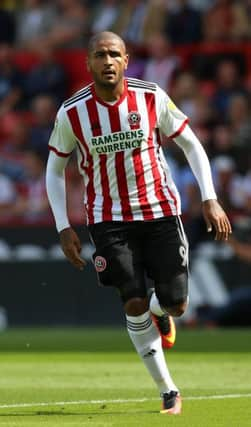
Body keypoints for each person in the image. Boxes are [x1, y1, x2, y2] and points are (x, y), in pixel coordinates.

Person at [46, 31, 231, 415]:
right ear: (89, 63)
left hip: (160, 211)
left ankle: (161, 314)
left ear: (127, 60)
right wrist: (64, 225)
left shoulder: (151, 96)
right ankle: (168, 391)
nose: (108, 61)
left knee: (177, 304)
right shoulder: (72, 113)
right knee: (131, 300)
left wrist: (210, 198)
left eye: (115, 54)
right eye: (100, 55)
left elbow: (192, 144)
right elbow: (54, 169)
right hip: (108, 218)